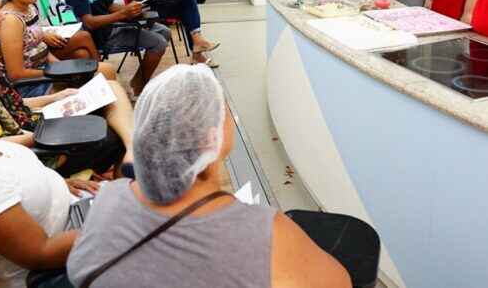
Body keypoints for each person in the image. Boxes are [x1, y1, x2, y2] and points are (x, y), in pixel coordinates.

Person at [67, 64, 351, 288]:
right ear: (211, 137)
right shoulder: (264, 231)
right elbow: (339, 282)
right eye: (224, 111)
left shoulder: (110, 195)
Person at [0, 0, 133, 173]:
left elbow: (9, 103)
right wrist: (44, 135)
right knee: (112, 138)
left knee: (109, 88)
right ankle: (124, 170)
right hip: (30, 148)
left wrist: (53, 98)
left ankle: (132, 150)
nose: (2, 16)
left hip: (33, 122)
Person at [0, 58, 97, 288]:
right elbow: (41, 254)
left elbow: (13, 173)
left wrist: (59, 183)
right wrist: (114, 223)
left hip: (74, 220)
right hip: (57, 270)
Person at [0, 0, 116, 97]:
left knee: (100, 68)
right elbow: (16, 74)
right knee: (104, 78)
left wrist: (61, 67)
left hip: (45, 70)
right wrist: (60, 74)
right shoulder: (10, 21)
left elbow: (41, 46)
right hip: (31, 86)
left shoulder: (30, 8)